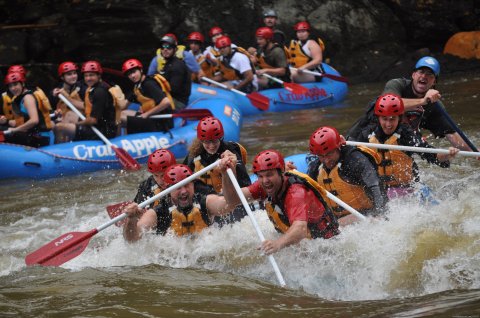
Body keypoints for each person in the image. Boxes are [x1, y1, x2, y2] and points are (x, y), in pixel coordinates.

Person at [221, 149, 339, 255]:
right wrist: (226, 173)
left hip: (325, 248)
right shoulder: (263, 186)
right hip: (303, 246)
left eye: (269, 175)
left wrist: (277, 244)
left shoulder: (296, 192)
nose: (265, 181)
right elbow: (232, 200)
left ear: (281, 172)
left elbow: (300, 229)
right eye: (260, 176)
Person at [348, 56, 473, 151]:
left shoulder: (435, 106)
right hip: (363, 137)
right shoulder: (397, 85)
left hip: (396, 146)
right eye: (421, 72)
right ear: (413, 75)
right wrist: (423, 101)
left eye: (429, 74)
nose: (424, 76)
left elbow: (452, 135)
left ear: (434, 81)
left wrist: (475, 152)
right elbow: (390, 105)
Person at [354, 93, 459, 198]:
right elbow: (350, 158)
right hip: (379, 191)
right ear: (378, 118)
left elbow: (432, 155)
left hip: (407, 188)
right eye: (384, 119)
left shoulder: (406, 135)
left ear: (399, 118)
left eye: (392, 119)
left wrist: (447, 154)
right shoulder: (366, 135)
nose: (388, 124)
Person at [123, 163, 237, 241]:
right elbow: (132, 239)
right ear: (168, 189)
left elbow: (230, 204)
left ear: (193, 184)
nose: (183, 191)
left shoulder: (205, 202)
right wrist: (131, 220)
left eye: (187, 185)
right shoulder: (158, 212)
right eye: (178, 187)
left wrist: (226, 174)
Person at [307, 126, 387, 226]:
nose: (326, 160)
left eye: (329, 154)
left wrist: (380, 213)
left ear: (338, 147)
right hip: (337, 219)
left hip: (366, 214)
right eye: (321, 156)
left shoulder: (355, 160)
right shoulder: (315, 168)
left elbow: (375, 186)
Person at [183, 116, 251, 224]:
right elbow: (185, 182)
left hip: (233, 199)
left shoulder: (232, 151)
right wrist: (211, 195)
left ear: (220, 138)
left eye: (215, 141)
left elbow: (245, 183)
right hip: (210, 202)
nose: (211, 146)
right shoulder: (193, 157)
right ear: (201, 140)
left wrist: (233, 167)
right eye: (207, 142)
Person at [53, 61, 116, 142]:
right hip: (97, 126)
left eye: (91, 75)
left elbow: (93, 120)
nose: (88, 78)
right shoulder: (92, 88)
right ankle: (68, 145)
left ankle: (59, 152)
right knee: (69, 115)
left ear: (99, 75)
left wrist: (75, 125)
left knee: (59, 127)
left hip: (103, 132)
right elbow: (88, 107)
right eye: (86, 76)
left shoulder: (100, 92)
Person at [120, 58, 174, 132]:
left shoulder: (149, 84)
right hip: (151, 117)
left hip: (160, 121)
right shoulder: (138, 86)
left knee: (120, 119)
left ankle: (122, 140)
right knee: (122, 113)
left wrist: (147, 113)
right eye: (129, 74)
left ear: (141, 70)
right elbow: (124, 106)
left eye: (134, 72)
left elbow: (166, 102)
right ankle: (123, 139)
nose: (132, 76)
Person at [2, 72, 53, 147]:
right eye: (10, 86)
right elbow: (22, 122)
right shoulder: (20, 98)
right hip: (32, 135)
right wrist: (7, 122)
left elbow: (34, 120)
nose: (13, 88)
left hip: (41, 137)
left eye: (15, 84)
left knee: (8, 136)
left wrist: (15, 130)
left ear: (22, 84)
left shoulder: (27, 98)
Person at [149, 35, 191, 109]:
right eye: (163, 47)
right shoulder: (168, 63)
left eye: (169, 47)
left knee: (149, 103)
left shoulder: (177, 66)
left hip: (178, 102)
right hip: (170, 97)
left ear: (175, 49)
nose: (165, 49)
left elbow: (173, 89)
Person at [50, 61, 86, 128]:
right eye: (69, 74)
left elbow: (87, 106)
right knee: (51, 124)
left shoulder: (83, 87)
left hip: (79, 120)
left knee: (69, 115)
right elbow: (51, 110)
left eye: (74, 73)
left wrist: (66, 97)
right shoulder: (57, 90)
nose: (73, 76)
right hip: (61, 119)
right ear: (62, 77)